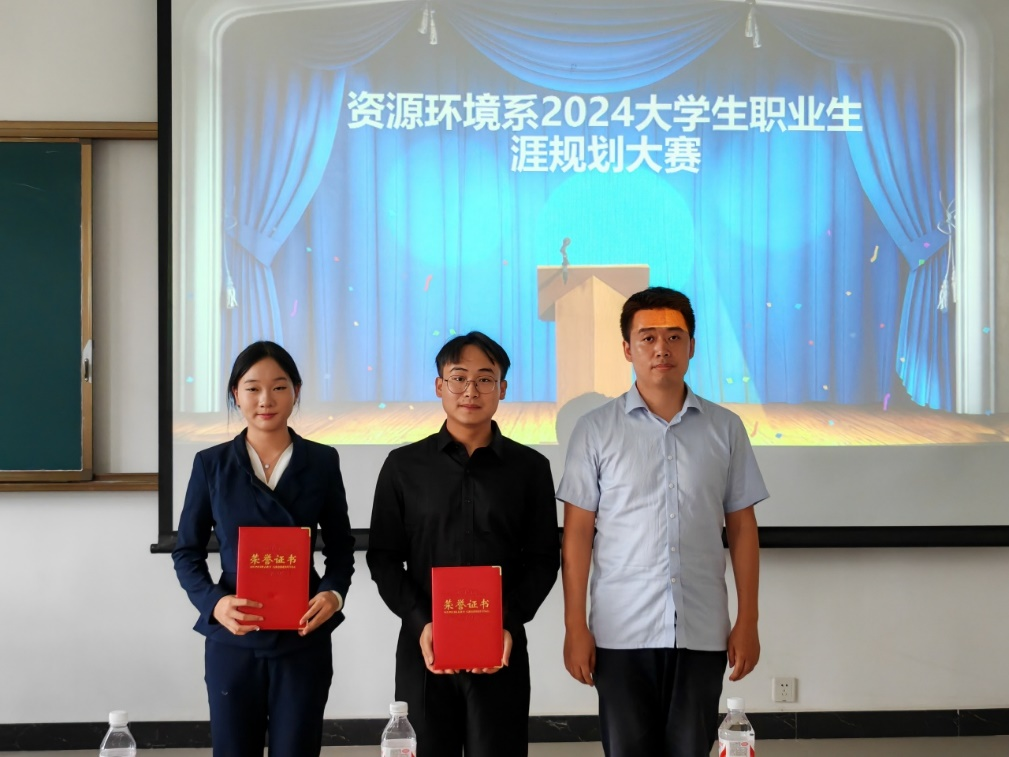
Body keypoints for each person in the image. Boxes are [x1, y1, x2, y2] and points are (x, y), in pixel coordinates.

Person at [557, 287, 767, 757]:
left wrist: (748, 619)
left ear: (691, 346)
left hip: (702, 628)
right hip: (619, 630)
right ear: (627, 348)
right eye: (648, 337)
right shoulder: (595, 429)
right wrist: (574, 626)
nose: (661, 348)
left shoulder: (725, 428)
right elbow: (577, 535)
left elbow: (742, 529)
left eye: (674, 336)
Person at [367, 331, 560, 757]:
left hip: (501, 650)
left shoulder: (530, 468)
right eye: (458, 378)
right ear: (440, 386)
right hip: (425, 648)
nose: (471, 391)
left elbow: (543, 559)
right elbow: (383, 558)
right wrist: (422, 621)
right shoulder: (403, 466)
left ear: (502, 388)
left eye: (485, 379)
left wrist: (506, 621)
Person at [172, 341, 355, 757]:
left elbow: (342, 547)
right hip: (234, 636)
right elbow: (187, 552)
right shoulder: (211, 464)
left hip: (303, 632)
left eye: (279, 387)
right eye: (253, 388)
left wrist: (333, 593)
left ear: (296, 392)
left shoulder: (322, 461)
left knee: (297, 749)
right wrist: (215, 604)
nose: (265, 399)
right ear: (235, 394)